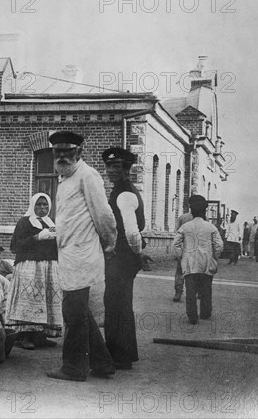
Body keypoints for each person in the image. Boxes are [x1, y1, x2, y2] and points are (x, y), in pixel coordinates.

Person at [45, 131, 117, 382]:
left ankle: (74, 367)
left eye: (68, 151)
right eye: (58, 152)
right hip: (69, 254)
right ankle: (103, 363)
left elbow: (104, 215)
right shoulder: (65, 178)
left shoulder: (87, 175)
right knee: (80, 311)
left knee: (73, 312)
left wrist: (109, 245)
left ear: (79, 152)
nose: (62, 156)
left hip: (82, 254)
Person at [102, 147, 152, 370]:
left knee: (117, 304)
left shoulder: (124, 194)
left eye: (117, 167)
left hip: (122, 257)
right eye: (109, 166)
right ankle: (121, 354)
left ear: (126, 170)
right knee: (117, 303)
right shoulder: (121, 190)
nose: (112, 170)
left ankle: (120, 356)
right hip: (122, 256)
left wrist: (138, 253)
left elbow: (132, 231)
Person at [6, 193, 63, 350]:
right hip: (30, 267)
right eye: (39, 205)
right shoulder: (25, 222)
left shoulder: (51, 223)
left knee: (45, 300)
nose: (42, 208)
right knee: (30, 300)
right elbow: (15, 246)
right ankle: (25, 337)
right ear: (33, 206)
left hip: (48, 267)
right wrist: (37, 237)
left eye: (45, 205)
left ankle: (41, 336)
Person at [173, 195, 224, 325]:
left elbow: (176, 244)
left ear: (192, 211)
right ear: (204, 211)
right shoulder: (211, 227)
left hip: (190, 262)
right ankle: (205, 313)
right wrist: (215, 257)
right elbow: (219, 245)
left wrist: (181, 257)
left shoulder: (185, 227)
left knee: (190, 289)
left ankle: (192, 316)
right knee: (206, 288)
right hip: (206, 262)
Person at [172, 202, 195, 302]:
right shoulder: (203, 220)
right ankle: (195, 292)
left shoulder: (182, 217)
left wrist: (178, 251)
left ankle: (178, 292)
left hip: (183, 249)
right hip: (195, 250)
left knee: (180, 272)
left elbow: (177, 233)